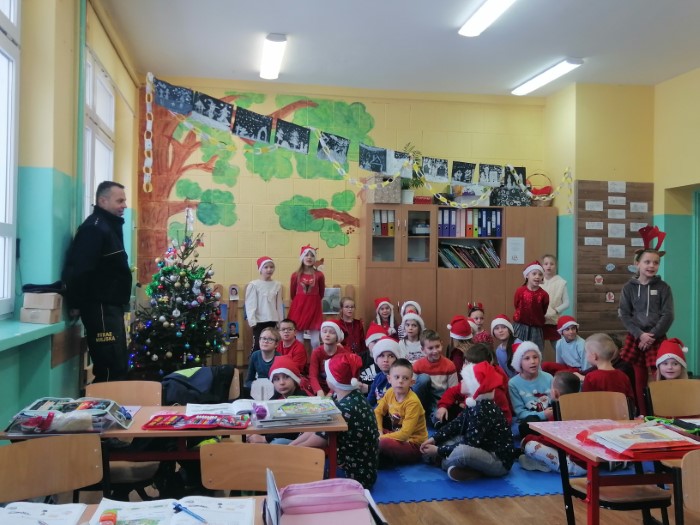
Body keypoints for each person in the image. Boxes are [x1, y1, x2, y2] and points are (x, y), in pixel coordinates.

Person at [63, 181, 132, 383]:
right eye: (120, 201)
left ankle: (115, 402)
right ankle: (105, 404)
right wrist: (75, 303)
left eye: (124, 200)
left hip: (110, 307)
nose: (124, 205)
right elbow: (80, 270)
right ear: (103, 201)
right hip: (100, 308)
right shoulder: (94, 229)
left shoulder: (108, 227)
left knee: (118, 364)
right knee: (110, 367)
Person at [291, 353, 379, 488]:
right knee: (285, 446)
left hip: (354, 476)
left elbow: (319, 439)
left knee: (296, 465)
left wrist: (290, 451)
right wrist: (291, 447)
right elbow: (317, 427)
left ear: (334, 380)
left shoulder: (345, 408)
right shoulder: (347, 396)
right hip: (356, 466)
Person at [421, 361, 515, 482]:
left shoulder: (483, 410)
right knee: (448, 441)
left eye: (464, 380)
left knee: (462, 452)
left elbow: (469, 444)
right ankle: (465, 467)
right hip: (481, 448)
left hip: (497, 461)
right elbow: (456, 424)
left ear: (474, 386)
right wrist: (435, 439)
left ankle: (444, 462)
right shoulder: (474, 403)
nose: (461, 382)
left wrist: (438, 450)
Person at [619, 236, 674, 415]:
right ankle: (643, 414)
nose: (651, 266)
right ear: (637, 263)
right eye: (647, 262)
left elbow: (668, 315)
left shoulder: (664, 287)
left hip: (657, 338)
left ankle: (662, 413)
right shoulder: (628, 288)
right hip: (636, 337)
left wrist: (652, 336)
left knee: (660, 377)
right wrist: (640, 335)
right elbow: (624, 314)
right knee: (639, 379)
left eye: (655, 263)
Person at [519, 372, 586, 476]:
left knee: (530, 446)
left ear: (555, 393)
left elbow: (551, 441)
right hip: (591, 463)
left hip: (573, 466)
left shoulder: (559, 412)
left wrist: (527, 439)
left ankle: (544, 465)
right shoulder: (584, 407)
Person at [436, 343, 512, 427]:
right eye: (465, 362)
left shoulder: (495, 390)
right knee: (448, 411)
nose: (465, 367)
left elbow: (506, 416)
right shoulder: (470, 380)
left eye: (470, 364)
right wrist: (442, 406)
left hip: (486, 424)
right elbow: (452, 392)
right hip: (470, 414)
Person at [375, 359, 428, 467]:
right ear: (389, 379)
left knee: (383, 443)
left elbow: (404, 435)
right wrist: (379, 432)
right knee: (369, 427)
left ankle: (383, 456)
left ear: (411, 382)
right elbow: (378, 412)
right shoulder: (390, 392)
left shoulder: (412, 402)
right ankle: (382, 455)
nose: (400, 381)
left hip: (413, 444)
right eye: (397, 377)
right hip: (395, 435)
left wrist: (381, 438)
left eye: (405, 378)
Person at [246, 356, 309, 444]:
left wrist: (265, 439)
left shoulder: (301, 398)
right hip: (280, 434)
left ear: (294, 379)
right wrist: (254, 431)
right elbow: (267, 418)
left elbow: (293, 430)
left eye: (286, 377)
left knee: (277, 442)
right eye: (277, 379)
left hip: (298, 440)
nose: (282, 383)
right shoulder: (277, 396)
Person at [508, 341, 554, 438]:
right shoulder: (513, 383)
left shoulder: (549, 377)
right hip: (531, 421)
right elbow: (520, 412)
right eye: (527, 358)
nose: (532, 361)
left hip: (551, 419)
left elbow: (555, 401)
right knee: (529, 422)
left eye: (535, 357)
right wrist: (543, 415)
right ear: (519, 362)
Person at [412, 329, 458, 423]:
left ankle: (432, 417)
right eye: (430, 348)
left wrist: (444, 406)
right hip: (422, 398)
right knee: (424, 378)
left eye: (437, 346)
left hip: (440, 401)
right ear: (423, 350)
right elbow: (412, 389)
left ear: (442, 344)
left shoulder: (449, 365)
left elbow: (453, 390)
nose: (435, 351)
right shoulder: (417, 365)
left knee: (440, 420)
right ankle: (418, 412)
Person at [288, 245, 325, 349]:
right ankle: (299, 359)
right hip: (299, 308)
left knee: (315, 341)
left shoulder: (319, 275)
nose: (309, 257)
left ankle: (316, 359)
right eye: (306, 255)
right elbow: (292, 293)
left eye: (312, 255)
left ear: (315, 258)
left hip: (314, 308)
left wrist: (313, 301)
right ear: (302, 257)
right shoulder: (295, 275)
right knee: (299, 340)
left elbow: (321, 293)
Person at [245, 256, 284, 353]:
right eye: (266, 267)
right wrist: (252, 321)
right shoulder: (254, 285)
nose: (269, 269)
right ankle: (255, 362)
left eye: (271, 267)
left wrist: (280, 321)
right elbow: (250, 305)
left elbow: (279, 305)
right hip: (259, 321)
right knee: (258, 345)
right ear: (260, 269)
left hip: (273, 320)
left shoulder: (277, 285)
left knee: (272, 345)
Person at [582, 333, 635, 401]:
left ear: (594, 356)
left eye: (586, 352)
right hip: (620, 408)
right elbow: (630, 400)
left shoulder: (590, 378)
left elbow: (587, 401)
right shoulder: (624, 376)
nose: (586, 355)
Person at [513, 260, 549, 352]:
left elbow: (543, 310)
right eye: (534, 274)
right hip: (520, 327)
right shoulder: (520, 291)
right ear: (527, 275)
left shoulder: (544, 294)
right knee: (518, 352)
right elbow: (516, 305)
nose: (537, 277)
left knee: (535, 352)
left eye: (540, 274)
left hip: (536, 329)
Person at [308, 320, 350, 396]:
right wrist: (318, 390)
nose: (327, 335)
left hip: (338, 388)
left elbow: (342, 378)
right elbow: (313, 375)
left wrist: (331, 393)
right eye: (324, 332)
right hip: (320, 387)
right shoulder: (316, 352)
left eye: (332, 332)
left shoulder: (343, 354)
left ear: (337, 336)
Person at [540, 254, 570, 351]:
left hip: (554, 321)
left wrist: (556, 310)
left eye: (551, 264)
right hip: (539, 321)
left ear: (556, 266)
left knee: (559, 348)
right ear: (542, 266)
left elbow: (567, 303)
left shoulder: (561, 282)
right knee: (538, 349)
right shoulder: (537, 281)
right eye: (546, 264)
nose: (548, 266)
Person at [367, 336, 404, 407]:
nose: (386, 360)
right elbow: (370, 401)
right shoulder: (378, 377)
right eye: (381, 356)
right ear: (376, 359)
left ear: (397, 359)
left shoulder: (400, 379)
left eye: (391, 356)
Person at [244, 326, 281, 392]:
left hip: (274, 390)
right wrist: (256, 385)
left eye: (270, 339)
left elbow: (280, 383)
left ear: (276, 344)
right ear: (259, 341)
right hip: (258, 389)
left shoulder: (279, 358)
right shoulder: (255, 355)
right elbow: (248, 381)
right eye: (263, 338)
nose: (265, 341)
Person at [357, 322, 388, 393]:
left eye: (381, 341)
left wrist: (369, 389)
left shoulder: (389, 359)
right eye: (374, 342)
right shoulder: (359, 358)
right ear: (368, 343)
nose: (378, 344)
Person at [491, 315, 521, 379]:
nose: (500, 331)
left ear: (509, 330)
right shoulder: (498, 350)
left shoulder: (518, 345)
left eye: (504, 327)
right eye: (496, 328)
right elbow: (503, 373)